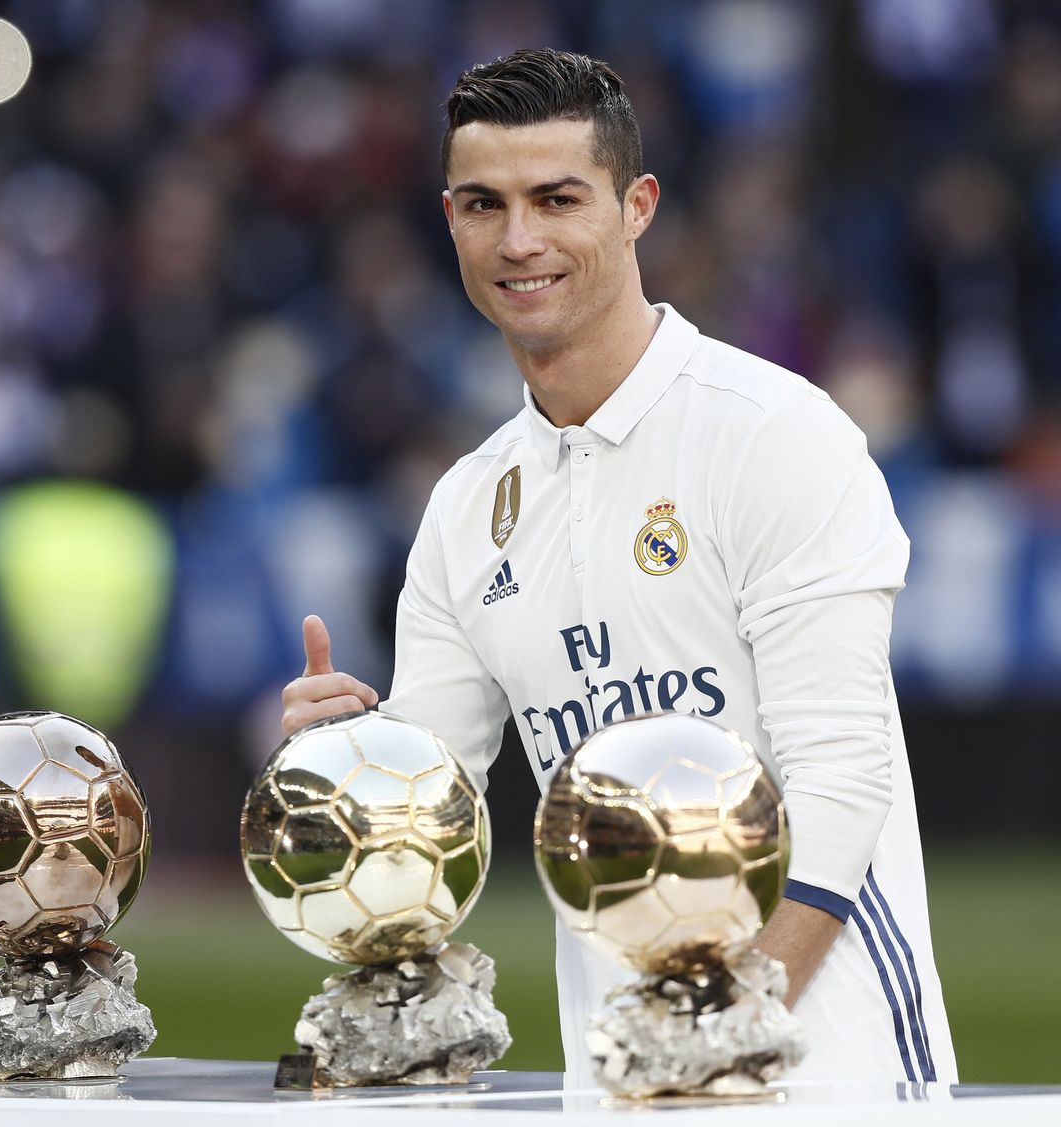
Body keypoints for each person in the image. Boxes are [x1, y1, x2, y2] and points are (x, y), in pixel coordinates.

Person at [279, 47, 955, 1087]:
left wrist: (727, 1026)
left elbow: (842, 775)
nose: (520, 240)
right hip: (621, 1081)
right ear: (449, 219)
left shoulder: (773, 433)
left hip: (832, 1073)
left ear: (637, 206)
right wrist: (348, 777)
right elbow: (431, 819)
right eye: (484, 204)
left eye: (557, 199)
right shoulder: (467, 505)